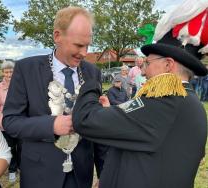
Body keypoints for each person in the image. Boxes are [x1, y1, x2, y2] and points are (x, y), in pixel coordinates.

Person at [72, 1, 208, 187]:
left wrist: (90, 81)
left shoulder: (165, 102)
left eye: (148, 63)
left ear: (168, 65)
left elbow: (86, 119)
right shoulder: (192, 103)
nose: (143, 72)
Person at [3, 6, 106, 188]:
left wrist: (105, 173)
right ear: (57, 36)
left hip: (81, 174)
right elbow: (11, 121)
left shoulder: (93, 73)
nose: (84, 53)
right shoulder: (26, 69)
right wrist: (51, 125)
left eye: (88, 45)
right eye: (78, 45)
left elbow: (97, 129)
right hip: (40, 174)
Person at [0, 60, 20, 183]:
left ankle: (23, 166)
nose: (9, 74)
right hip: (6, 123)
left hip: (21, 122)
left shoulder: (21, 85)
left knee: (23, 146)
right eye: (6, 72)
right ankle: (12, 170)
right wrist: (1, 122)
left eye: (11, 71)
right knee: (11, 148)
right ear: (3, 73)